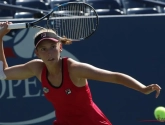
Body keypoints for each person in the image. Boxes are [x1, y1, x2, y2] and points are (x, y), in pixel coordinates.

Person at [0, 21, 161, 125]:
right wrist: (0, 37)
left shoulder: (75, 69)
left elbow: (115, 76)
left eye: (52, 48)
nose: (49, 53)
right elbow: (3, 73)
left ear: (60, 48)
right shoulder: (36, 68)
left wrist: (143, 88)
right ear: (37, 53)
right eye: (43, 49)